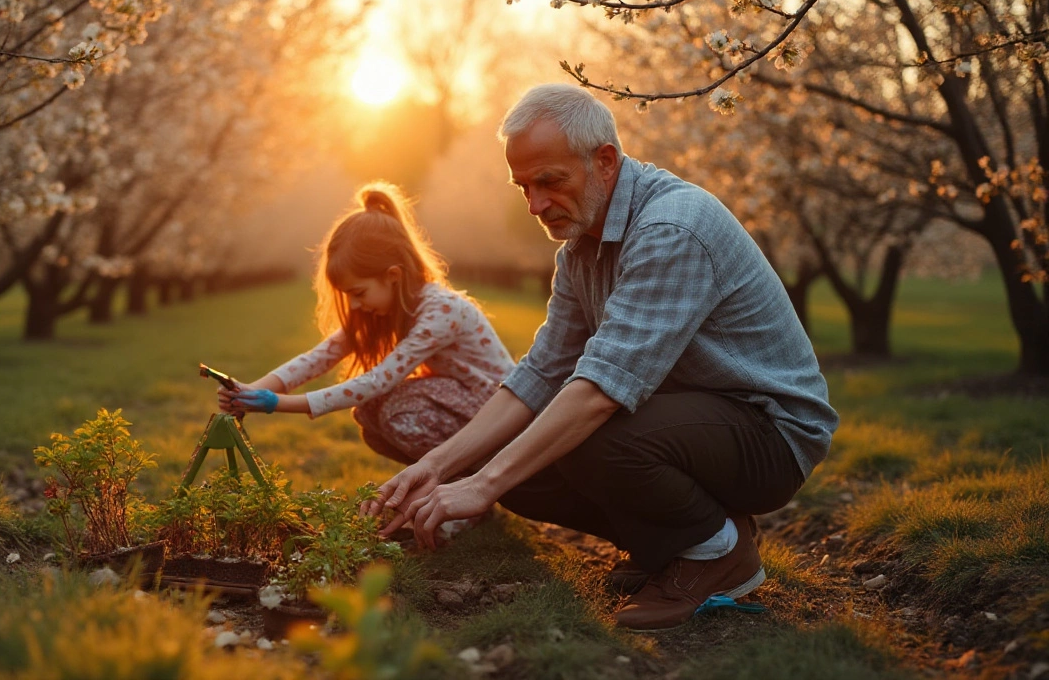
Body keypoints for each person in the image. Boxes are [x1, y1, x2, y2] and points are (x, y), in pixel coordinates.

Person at [363, 84, 839, 632]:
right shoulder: (580, 250)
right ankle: (677, 540)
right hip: (689, 421)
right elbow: (541, 372)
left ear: (605, 161)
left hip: (769, 434)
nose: (536, 204)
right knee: (525, 462)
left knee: (584, 438)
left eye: (550, 182)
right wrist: (441, 465)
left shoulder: (670, 228)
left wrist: (481, 484)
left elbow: (601, 389)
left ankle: (718, 554)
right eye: (524, 187)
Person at [219, 181, 516, 466]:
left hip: (501, 413)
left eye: (359, 293)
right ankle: (446, 484)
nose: (355, 305)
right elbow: (318, 358)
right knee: (369, 413)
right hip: (468, 403)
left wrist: (275, 403)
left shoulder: (442, 311)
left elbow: (377, 381)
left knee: (396, 409)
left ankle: (464, 487)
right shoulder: (388, 308)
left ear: (393, 276)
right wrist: (248, 392)